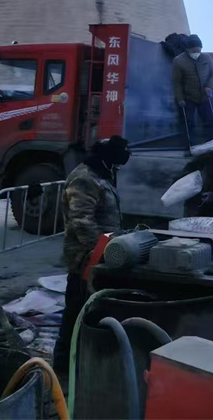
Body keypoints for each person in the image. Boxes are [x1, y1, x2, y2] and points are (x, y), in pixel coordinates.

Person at [52, 136, 131, 374]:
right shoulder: (85, 179)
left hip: (100, 256)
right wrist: (102, 252)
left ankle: (86, 361)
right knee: (75, 313)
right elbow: (81, 221)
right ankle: (63, 367)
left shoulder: (102, 173)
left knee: (93, 311)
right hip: (84, 259)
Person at [171, 34, 213, 148]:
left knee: (209, 122)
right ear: (188, 49)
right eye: (194, 50)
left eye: (199, 50)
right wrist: (180, 99)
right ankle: (188, 147)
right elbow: (177, 82)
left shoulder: (206, 58)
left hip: (205, 96)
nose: (197, 52)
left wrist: (209, 86)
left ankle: (212, 146)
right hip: (188, 98)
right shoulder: (179, 61)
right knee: (187, 124)